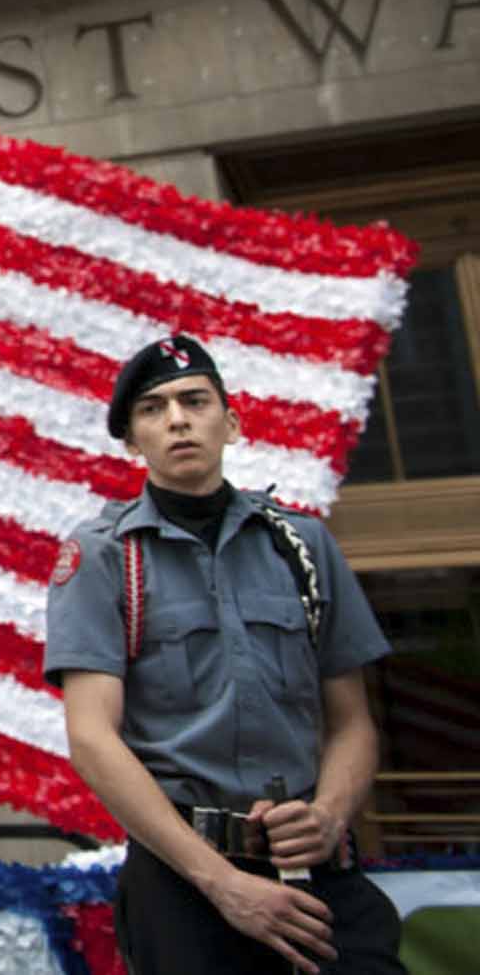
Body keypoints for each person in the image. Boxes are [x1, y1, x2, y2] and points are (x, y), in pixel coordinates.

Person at [45, 334, 405, 975]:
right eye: (152, 409)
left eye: (194, 400)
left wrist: (328, 816)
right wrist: (222, 883)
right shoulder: (104, 557)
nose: (177, 419)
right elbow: (92, 737)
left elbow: (351, 721)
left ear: (231, 422)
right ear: (131, 442)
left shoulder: (302, 546)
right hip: (186, 884)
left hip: (314, 870)